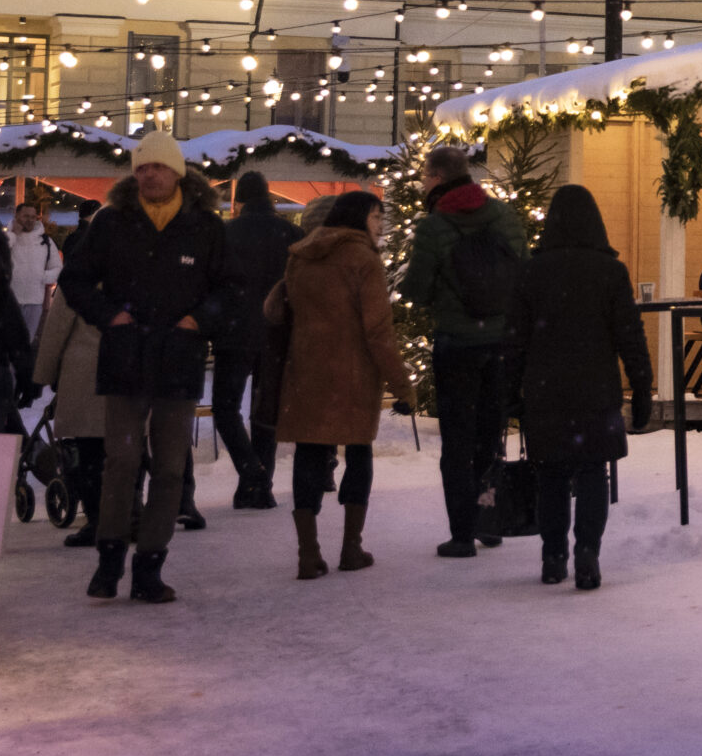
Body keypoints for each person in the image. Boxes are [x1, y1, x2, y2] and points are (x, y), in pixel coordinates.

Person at [57, 130, 233, 605]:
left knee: (171, 468)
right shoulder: (111, 222)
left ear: (177, 171)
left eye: (156, 166)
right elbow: (74, 280)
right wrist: (109, 315)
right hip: (126, 358)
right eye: (140, 167)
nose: (147, 174)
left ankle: (150, 565)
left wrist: (198, 320)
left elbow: (230, 289)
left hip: (178, 359)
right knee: (122, 462)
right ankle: (110, 559)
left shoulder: (205, 226)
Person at [504, 185, 654, 591]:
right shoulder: (609, 271)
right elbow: (630, 335)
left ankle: (553, 556)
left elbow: (515, 337)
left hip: (545, 388)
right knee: (593, 471)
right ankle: (588, 551)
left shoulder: (533, 271)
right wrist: (642, 386)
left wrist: (508, 391)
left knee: (550, 474)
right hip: (595, 387)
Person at [269, 190, 413, 581]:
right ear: (360, 217)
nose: (381, 225)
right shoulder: (363, 259)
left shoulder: (300, 255)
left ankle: (308, 552)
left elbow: (278, 310)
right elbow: (379, 332)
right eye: (377, 216)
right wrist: (403, 385)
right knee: (358, 451)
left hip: (308, 370)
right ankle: (351, 547)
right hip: (353, 373)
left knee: (310, 452)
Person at [399, 144, 527, 559]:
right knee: (491, 434)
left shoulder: (435, 226)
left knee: (457, 439)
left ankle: (461, 534)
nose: (421, 184)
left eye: (424, 177)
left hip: (456, 344)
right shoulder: (505, 216)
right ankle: (490, 523)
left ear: (437, 178)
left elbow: (416, 290)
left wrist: (440, 294)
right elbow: (523, 271)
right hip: (501, 342)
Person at [216, 169, 299, 509]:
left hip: (234, 331)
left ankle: (251, 472)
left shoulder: (226, 234)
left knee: (225, 408)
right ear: (269, 197)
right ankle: (259, 484)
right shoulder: (292, 234)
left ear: (239, 202)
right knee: (265, 413)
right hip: (277, 333)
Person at [30, 283, 109, 548]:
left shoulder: (80, 278)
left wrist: (43, 375)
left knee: (90, 451)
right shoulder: (138, 267)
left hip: (86, 373)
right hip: (128, 371)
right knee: (126, 451)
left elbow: (56, 332)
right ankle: (129, 512)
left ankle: (97, 519)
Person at [6, 198, 62, 340]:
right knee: (9, 341)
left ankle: (23, 362)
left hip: (34, 301)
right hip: (11, 300)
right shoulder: (8, 238)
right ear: (17, 216)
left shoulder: (45, 241)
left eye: (33, 217)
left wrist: (43, 276)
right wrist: (13, 234)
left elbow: (57, 267)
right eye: (26, 216)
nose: (30, 220)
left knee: (27, 340)